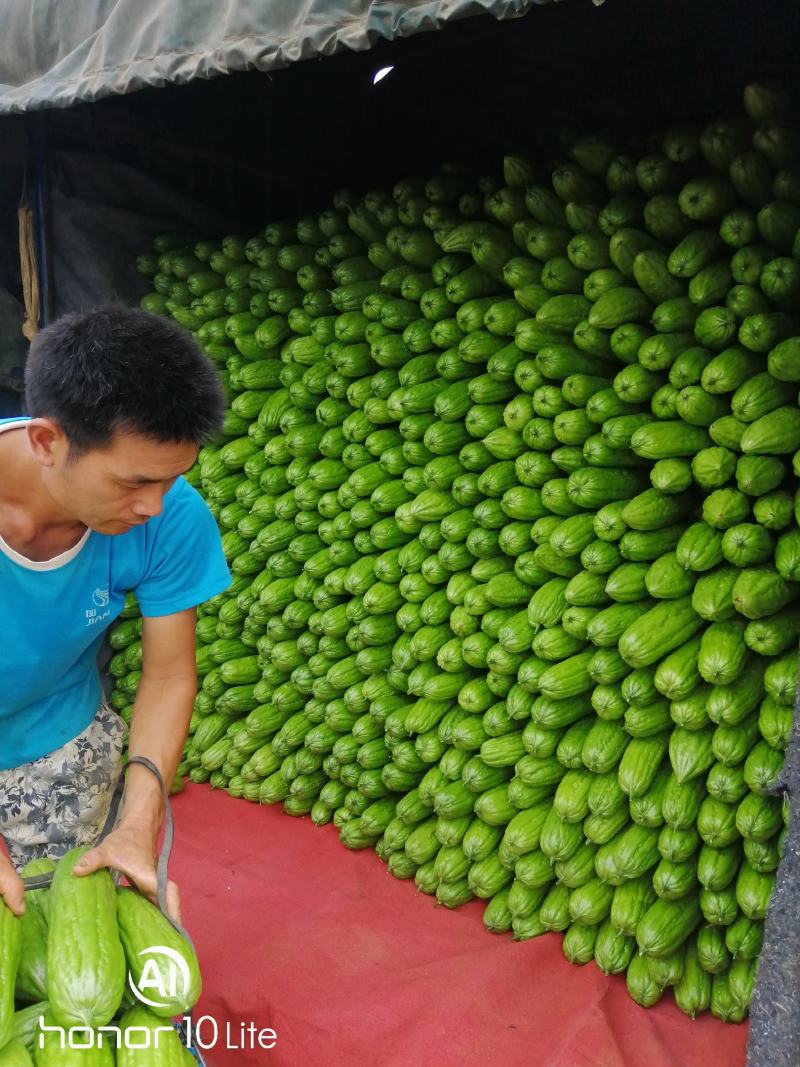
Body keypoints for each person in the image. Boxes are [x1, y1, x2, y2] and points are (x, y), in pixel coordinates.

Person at [0, 305, 231, 922]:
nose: (154, 507)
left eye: (172, 479)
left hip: (57, 748)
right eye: (133, 482)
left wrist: (137, 823)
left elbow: (168, 676)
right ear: (48, 442)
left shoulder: (172, 516)